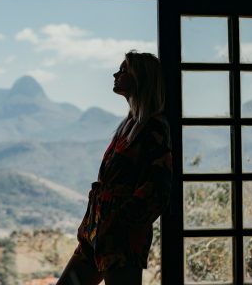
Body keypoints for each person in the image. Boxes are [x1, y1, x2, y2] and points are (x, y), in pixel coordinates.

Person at [57, 51, 173, 285]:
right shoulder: (128, 126)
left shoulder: (153, 130)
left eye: (123, 71)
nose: (116, 74)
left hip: (121, 239)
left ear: (139, 79)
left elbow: (157, 188)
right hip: (97, 234)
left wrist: (120, 222)